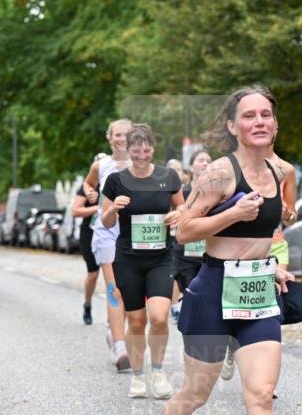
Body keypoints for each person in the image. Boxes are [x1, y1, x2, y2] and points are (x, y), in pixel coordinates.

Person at [144, 86, 299, 415]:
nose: (259, 122)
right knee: (196, 394)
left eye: (266, 114)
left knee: (261, 395)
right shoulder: (217, 174)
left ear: (274, 122)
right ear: (233, 126)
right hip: (213, 291)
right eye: (248, 115)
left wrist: (272, 265)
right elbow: (186, 232)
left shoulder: (283, 169)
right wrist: (231, 216)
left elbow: (275, 228)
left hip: (257, 293)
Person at [101, 124, 183, 399]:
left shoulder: (168, 176)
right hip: (128, 259)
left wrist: (178, 215)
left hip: (161, 258)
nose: (141, 152)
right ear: (128, 148)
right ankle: (137, 376)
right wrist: (114, 207)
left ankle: (158, 372)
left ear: (153, 148)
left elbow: (183, 208)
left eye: (146, 147)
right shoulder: (116, 181)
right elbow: (105, 220)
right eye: (136, 147)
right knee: (136, 322)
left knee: (159, 316)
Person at [220, 141, 297, 381]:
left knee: (272, 300)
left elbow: (293, 216)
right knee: (244, 301)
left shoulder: (286, 170)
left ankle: (264, 371)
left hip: (276, 245)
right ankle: (234, 341)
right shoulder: (237, 168)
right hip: (246, 247)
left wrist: (286, 212)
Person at [86, 120, 133, 371]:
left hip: (134, 235)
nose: (121, 139)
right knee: (115, 289)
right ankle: (119, 346)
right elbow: (88, 183)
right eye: (117, 134)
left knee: (131, 291)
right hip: (106, 231)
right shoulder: (101, 165)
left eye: (126, 134)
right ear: (110, 137)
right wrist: (91, 194)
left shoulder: (141, 164)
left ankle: (112, 328)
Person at [171, 149, 213, 322]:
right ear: (191, 166)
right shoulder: (183, 193)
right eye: (201, 160)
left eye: (208, 160)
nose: (205, 163)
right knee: (189, 290)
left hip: (208, 250)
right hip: (186, 252)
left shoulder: (217, 192)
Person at [71, 155, 106, 325]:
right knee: (93, 274)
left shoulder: (114, 182)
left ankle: (114, 313)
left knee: (113, 274)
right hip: (90, 232)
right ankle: (87, 304)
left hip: (110, 232)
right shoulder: (88, 187)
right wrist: (96, 209)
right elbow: (75, 211)